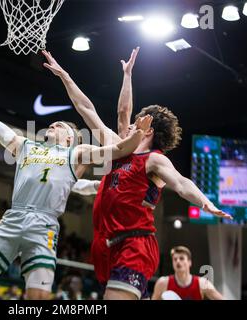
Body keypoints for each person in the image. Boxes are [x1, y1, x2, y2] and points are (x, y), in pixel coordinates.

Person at [43, 48, 232, 300]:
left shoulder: (154, 160)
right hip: (105, 245)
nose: (130, 123)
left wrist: (205, 202)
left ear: (148, 129)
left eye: (138, 120)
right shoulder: (118, 148)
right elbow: (87, 108)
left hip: (135, 243)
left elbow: (181, 182)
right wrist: (66, 76)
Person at [0, 77, 152, 300]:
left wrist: (137, 135)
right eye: (53, 123)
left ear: (69, 138)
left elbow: (118, 149)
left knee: (37, 296)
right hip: (13, 218)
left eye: (60, 125)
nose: (53, 125)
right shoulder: (25, 146)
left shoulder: (76, 153)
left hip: (44, 226)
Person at [152, 246, 223, 300]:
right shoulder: (162, 283)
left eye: (181, 258)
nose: (178, 261)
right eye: (175, 259)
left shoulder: (202, 283)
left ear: (189, 262)